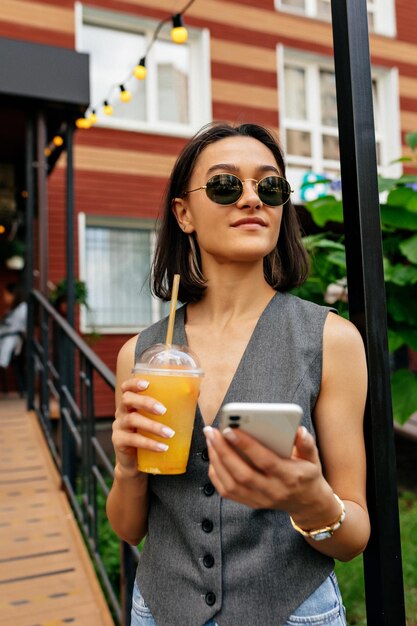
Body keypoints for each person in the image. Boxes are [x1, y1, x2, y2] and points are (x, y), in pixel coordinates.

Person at [106, 122, 370, 626]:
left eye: (269, 186)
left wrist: (312, 500)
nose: (252, 199)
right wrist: (126, 466)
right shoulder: (140, 353)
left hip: (295, 612)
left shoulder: (331, 340)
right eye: (226, 185)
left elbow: (353, 536)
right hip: (160, 611)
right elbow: (129, 528)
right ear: (183, 212)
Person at [0, 282, 27, 369]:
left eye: (6, 294)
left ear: (14, 295)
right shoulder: (14, 309)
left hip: (11, 342)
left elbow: (13, 328)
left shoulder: (22, 308)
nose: (4, 297)